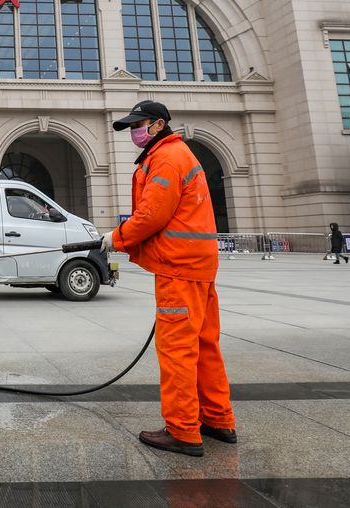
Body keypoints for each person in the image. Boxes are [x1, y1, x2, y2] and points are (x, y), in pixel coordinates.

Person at [102, 100, 236, 458]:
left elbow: (151, 214)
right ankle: (217, 418)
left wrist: (115, 238)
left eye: (139, 124)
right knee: (205, 345)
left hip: (179, 268)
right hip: (199, 266)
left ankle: (182, 430)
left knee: (177, 349)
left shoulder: (166, 158)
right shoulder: (178, 154)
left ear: (159, 124)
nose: (134, 132)